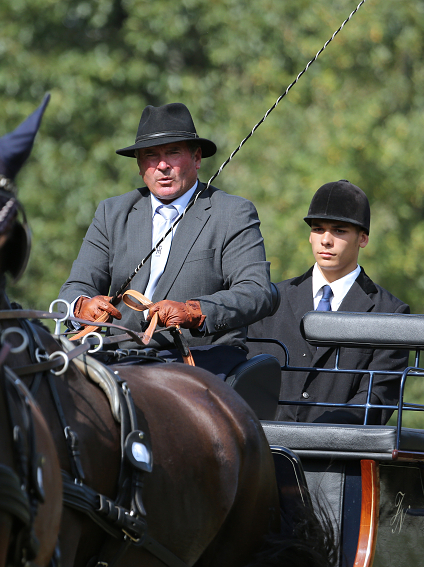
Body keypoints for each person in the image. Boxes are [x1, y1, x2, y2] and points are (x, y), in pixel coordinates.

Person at [59, 102, 274, 378]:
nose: (162, 165)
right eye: (151, 156)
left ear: (196, 158)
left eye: (173, 153)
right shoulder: (112, 213)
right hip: (118, 356)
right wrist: (82, 305)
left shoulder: (232, 213)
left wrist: (193, 311)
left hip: (201, 359)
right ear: (139, 166)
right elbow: (75, 286)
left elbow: (256, 292)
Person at [247, 180, 409, 424]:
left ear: (363, 238)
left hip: (339, 457)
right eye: (318, 229)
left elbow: (376, 399)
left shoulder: (390, 312)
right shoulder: (270, 301)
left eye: (339, 230)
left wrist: (320, 437)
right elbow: (250, 379)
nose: (326, 240)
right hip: (269, 451)